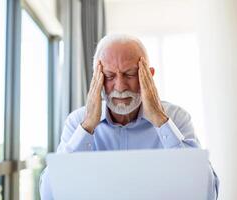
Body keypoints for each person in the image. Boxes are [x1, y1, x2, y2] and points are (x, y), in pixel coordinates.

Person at [40, 34, 219, 200]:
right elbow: (49, 194)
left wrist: (160, 120)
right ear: (97, 78)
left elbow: (208, 193)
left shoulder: (176, 118)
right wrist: (87, 127)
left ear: (149, 75)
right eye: (109, 76)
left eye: (130, 74)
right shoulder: (77, 121)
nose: (120, 86)